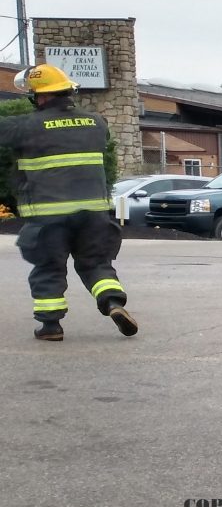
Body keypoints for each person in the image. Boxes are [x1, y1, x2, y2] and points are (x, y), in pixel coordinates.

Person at [0, 64, 138, 342]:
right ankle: (113, 303)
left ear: (41, 96)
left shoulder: (26, 126)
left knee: (49, 267)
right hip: (95, 215)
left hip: (49, 216)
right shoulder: (96, 123)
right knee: (96, 263)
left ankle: (51, 326)